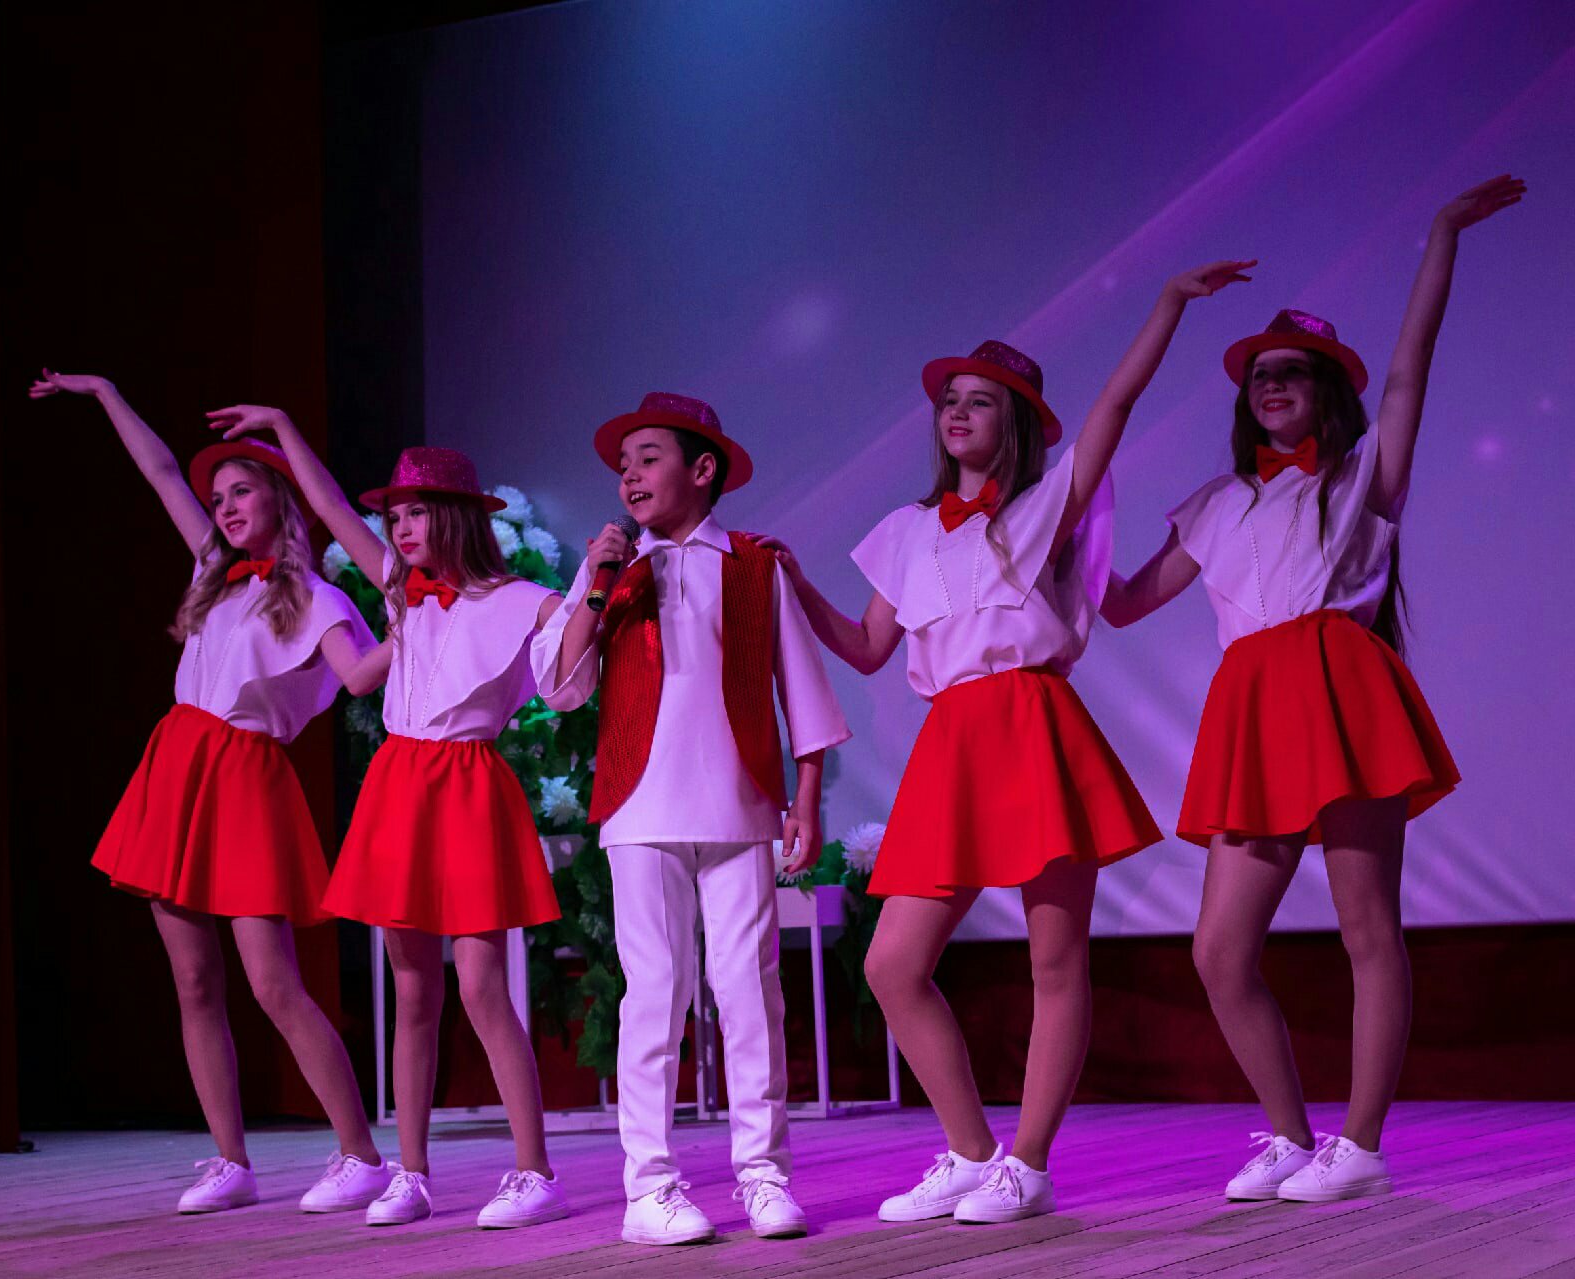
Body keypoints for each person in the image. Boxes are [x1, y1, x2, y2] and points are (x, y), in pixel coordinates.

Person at [763, 261, 1251, 1224]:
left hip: (1032, 724)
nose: (957, 411)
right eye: (950, 399)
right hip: (952, 739)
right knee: (892, 963)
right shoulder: (907, 529)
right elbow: (867, 648)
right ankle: (969, 1152)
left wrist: (1168, 304)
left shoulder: (1045, 505)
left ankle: (1026, 1164)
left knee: (1054, 960)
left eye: (980, 400)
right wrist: (797, 586)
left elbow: (1115, 403)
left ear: (1017, 421)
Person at [1101, 176, 1523, 1202]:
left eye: (1294, 371)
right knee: (1218, 948)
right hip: (1252, 708)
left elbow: (1410, 371)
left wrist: (1441, 232)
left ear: (1328, 389)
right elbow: (1121, 604)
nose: (1273, 384)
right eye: (1260, 375)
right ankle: (1292, 1138)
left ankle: (1361, 1144)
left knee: (1367, 927)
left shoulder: (1362, 478)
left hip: (1341, 689)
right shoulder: (1216, 502)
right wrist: (1067, 522)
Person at [31, 372, 390, 1216]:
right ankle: (230, 1161)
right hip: (176, 766)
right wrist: (105, 392)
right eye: (219, 496)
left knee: (273, 983)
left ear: (279, 500)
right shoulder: (213, 572)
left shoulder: (318, 598)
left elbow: (361, 677)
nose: (224, 507)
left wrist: (424, 628)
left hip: (245, 777)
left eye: (242, 491)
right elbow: (160, 471)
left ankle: (360, 1154)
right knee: (193, 981)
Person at [208, 406, 570, 1230]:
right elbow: (330, 506)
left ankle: (534, 1170)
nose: (399, 528)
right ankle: (410, 1171)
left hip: (467, 782)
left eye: (415, 513)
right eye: (394, 515)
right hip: (401, 782)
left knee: (481, 986)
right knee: (412, 991)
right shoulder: (400, 591)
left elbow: (582, 631)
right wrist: (283, 427)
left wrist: (602, 591)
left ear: (456, 517)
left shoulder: (522, 600)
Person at [532, 392, 850, 1245]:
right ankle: (651, 1187)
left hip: (740, 801)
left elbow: (801, 689)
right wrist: (597, 586)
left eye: (648, 458)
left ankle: (763, 1174)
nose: (630, 476)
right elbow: (560, 687)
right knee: (655, 992)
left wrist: (806, 800)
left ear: (702, 469)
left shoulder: (753, 564)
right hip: (639, 805)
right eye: (622, 465)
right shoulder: (612, 569)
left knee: (749, 989)